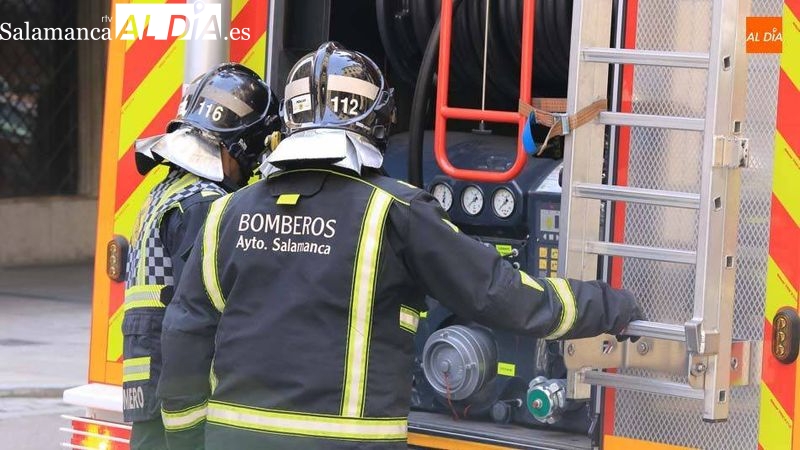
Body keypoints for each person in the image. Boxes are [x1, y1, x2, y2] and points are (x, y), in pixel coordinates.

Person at [157, 42, 644, 450]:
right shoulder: (393, 210)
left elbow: (185, 336)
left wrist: (183, 440)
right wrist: (606, 305)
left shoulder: (226, 213)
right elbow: (498, 293)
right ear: (376, 121)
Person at [121, 62, 280, 450]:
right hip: (171, 382)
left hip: (148, 375)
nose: (251, 169)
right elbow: (201, 311)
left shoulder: (171, 188)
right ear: (235, 146)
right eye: (252, 156)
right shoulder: (205, 204)